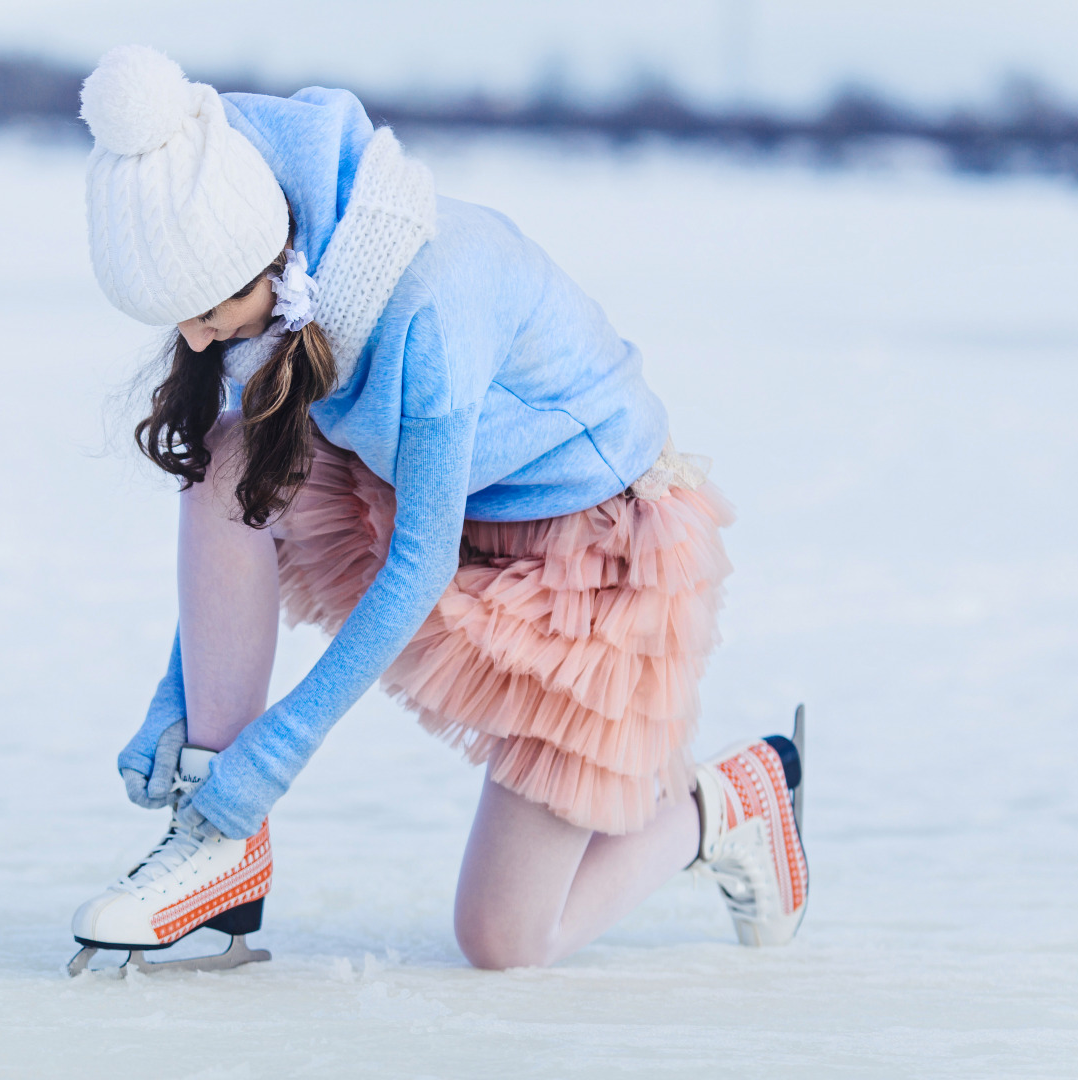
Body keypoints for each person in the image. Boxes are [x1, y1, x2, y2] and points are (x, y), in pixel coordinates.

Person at [65, 45, 807, 975]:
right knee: (225, 454)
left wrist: (273, 756)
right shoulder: (254, 252)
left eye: (212, 312)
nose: (195, 338)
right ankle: (218, 843)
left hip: (585, 553)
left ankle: (732, 797)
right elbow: (240, 511)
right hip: (434, 495)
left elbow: (414, 566)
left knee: (504, 941)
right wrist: (175, 713)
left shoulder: (429, 304)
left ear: (276, 255)